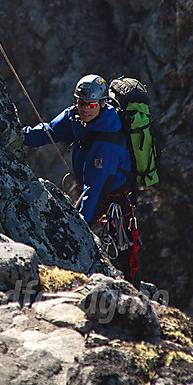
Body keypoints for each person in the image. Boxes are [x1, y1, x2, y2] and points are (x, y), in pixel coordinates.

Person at [23, 74, 140, 286]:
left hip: (113, 198)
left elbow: (95, 189)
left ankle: (131, 291)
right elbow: (49, 131)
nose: (85, 109)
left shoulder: (107, 139)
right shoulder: (75, 117)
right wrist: (19, 135)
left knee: (123, 257)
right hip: (94, 186)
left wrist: (78, 227)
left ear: (102, 104)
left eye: (91, 105)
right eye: (81, 103)